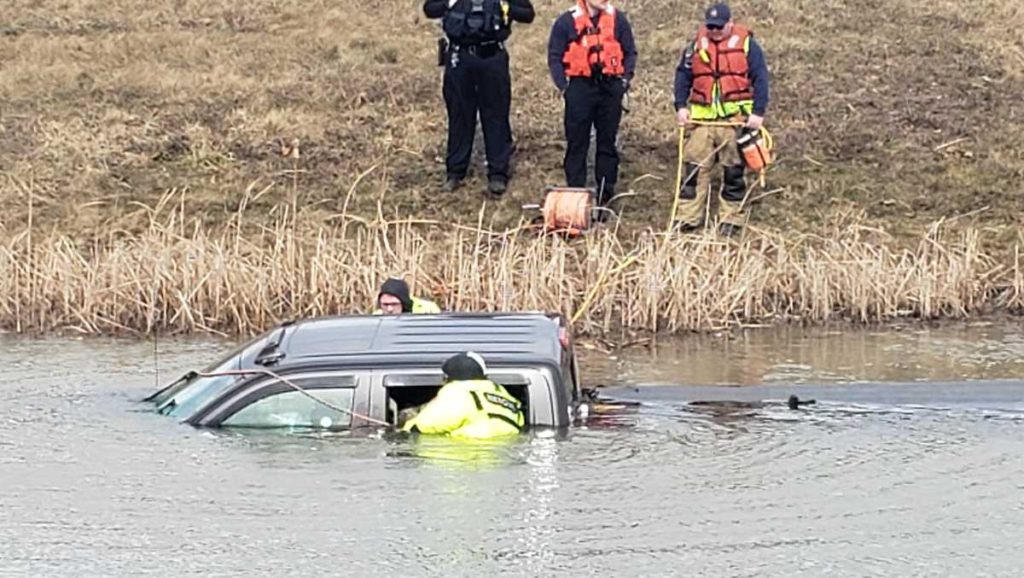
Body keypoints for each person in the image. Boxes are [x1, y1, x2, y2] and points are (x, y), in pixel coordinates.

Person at [673, 2, 770, 236]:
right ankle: (688, 217)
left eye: (719, 27)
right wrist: (680, 107)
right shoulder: (695, 46)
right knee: (694, 170)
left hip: (734, 121)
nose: (714, 31)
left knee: (733, 171)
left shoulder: (748, 46)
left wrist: (757, 113)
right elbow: (683, 76)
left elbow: (761, 79)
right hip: (702, 121)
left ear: (730, 24)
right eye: (711, 27)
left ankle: (731, 218)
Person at [424, 0, 536, 196]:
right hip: (459, 56)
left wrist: (506, 6)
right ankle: (455, 172)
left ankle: (497, 174)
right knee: (459, 114)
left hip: (492, 57)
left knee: (496, 114)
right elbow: (429, 9)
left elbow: (527, 14)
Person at [547, 0, 637, 213]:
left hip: (610, 87)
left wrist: (624, 81)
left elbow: (630, 52)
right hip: (579, 88)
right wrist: (564, 87)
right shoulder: (565, 22)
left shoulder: (618, 19)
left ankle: (606, 194)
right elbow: (554, 56)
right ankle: (576, 193)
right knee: (577, 142)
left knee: (607, 142)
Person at [402, 351, 525, 439]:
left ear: (448, 378)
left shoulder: (456, 392)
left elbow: (424, 426)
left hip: (469, 459)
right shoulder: (502, 394)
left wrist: (404, 427)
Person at [373, 278, 442, 315]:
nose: (389, 309)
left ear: (403, 303)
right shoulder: (377, 318)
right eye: (385, 304)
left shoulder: (428, 309)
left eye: (394, 304)